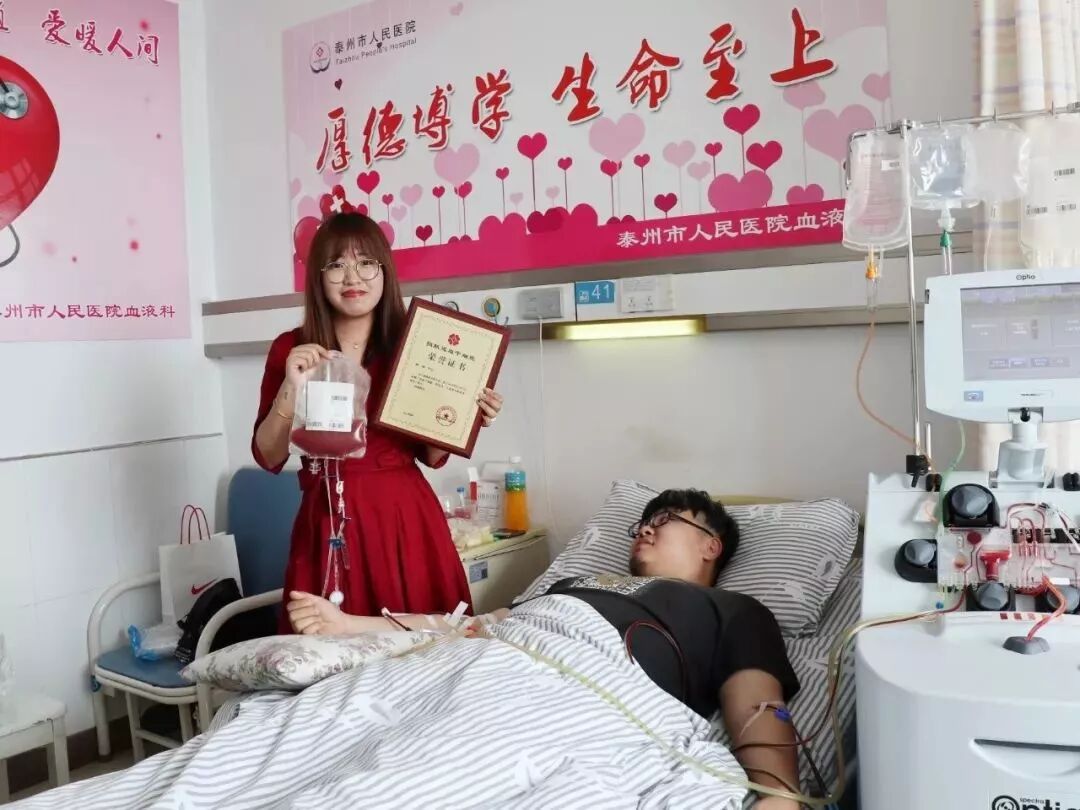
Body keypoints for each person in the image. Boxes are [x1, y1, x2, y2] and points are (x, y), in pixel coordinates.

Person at [286, 489, 802, 809]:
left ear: (711, 544)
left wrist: (779, 792)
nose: (645, 527)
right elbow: (474, 626)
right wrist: (351, 624)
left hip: (578, 689)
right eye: (642, 522)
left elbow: (759, 703)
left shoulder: (733, 608)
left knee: (412, 770)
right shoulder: (573, 583)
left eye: (666, 518)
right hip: (486, 658)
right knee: (322, 730)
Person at [253, 211, 504, 632]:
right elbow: (268, 455)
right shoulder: (291, 348)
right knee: (324, 657)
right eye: (336, 264)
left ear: (384, 270)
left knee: (422, 657)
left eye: (366, 262)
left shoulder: (415, 342)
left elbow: (433, 455)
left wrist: (465, 415)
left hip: (405, 520)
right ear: (318, 277)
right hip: (325, 519)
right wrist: (290, 389)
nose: (353, 277)